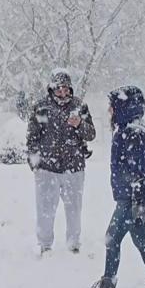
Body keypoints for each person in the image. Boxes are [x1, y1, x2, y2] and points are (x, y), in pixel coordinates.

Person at [91, 85, 145, 288]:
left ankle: (107, 284)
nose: (109, 111)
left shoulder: (132, 134)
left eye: (112, 107)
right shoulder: (128, 130)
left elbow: (139, 170)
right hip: (132, 197)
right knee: (141, 241)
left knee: (112, 239)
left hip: (131, 199)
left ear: (124, 107)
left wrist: (138, 202)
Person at [26, 70, 96, 254]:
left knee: (74, 209)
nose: (63, 93)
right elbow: (32, 138)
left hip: (74, 168)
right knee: (45, 210)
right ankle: (45, 245)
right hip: (47, 168)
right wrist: (34, 163)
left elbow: (91, 134)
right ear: (52, 89)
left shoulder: (79, 106)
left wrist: (80, 124)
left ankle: (73, 245)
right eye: (59, 90)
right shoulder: (41, 107)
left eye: (66, 89)